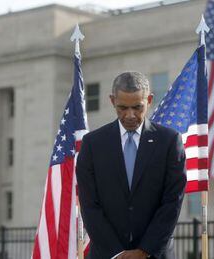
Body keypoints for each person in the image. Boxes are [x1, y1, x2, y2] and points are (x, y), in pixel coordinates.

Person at [76, 71, 187, 259]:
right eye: (122, 108)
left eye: (137, 107)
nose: (130, 115)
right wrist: (117, 253)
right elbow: (89, 205)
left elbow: (172, 202)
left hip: (154, 254)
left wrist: (144, 250)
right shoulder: (92, 144)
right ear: (112, 101)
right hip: (107, 254)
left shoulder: (169, 142)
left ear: (149, 100)